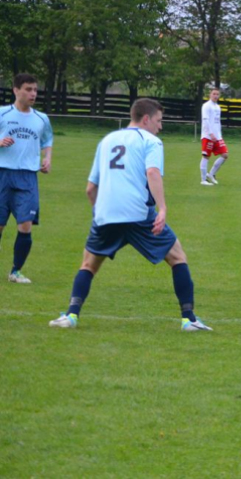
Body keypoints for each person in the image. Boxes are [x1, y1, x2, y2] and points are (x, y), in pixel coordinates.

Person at [49, 98, 211, 331]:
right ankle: (189, 319)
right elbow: (153, 172)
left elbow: (90, 189)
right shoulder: (151, 141)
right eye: (159, 120)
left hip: (106, 213)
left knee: (88, 264)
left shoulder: (107, 140)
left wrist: (100, 213)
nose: (160, 126)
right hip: (138, 214)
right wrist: (163, 209)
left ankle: (71, 316)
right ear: (146, 119)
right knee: (177, 257)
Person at [0, 73, 53, 284]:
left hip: (28, 177)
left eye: (35, 90)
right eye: (28, 89)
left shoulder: (41, 119)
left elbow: (47, 139)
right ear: (16, 90)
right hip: (3, 174)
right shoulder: (3, 113)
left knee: (25, 225)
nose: (33, 94)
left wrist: (47, 158)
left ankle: (16, 272)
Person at [200, 88, 228, 186]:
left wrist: (219, 134)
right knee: (206, 156)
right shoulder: (206, 106)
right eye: (214, 94)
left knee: (225, 155)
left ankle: (211, 174)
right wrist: (210, 133)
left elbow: (217, 122)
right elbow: (206, 120)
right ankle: (203, 180)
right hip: (208, 136)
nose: (216, 96)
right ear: (210, 95)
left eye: (217, 94)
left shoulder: (218, 107)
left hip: (217, 136)